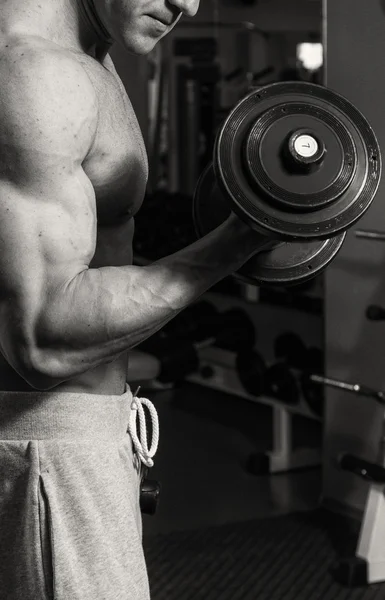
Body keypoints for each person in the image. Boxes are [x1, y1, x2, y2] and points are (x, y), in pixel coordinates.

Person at [0, 1, 269, 598]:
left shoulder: (89, 54)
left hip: (77, 437)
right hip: (49, 449)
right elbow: (42, 337)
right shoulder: (36, 72)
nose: (188, 3)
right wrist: (238, 244)